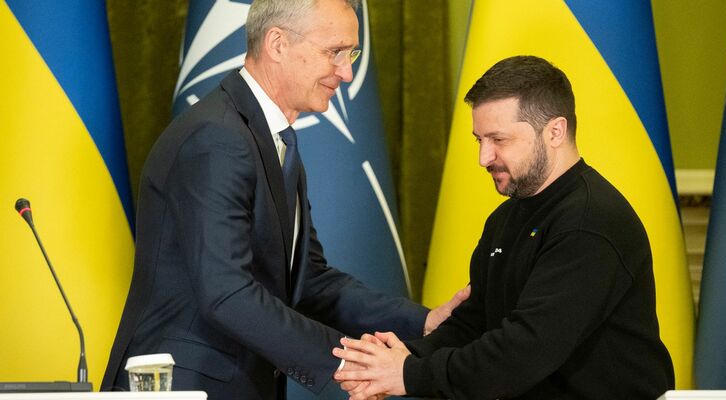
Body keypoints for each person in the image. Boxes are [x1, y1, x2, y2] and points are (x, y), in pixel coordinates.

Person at [101, 1, 467, 399]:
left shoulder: (273, 140)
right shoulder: (218, 138)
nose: (346, 72)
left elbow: (309, 282)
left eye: (351, 54)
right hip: (184, 384)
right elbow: (227, 292)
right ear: (277, 43)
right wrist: (346, 365)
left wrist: (425, 322)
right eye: (335, 52)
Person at [333, 55, 675, 399]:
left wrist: (409, 374)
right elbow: (475, 321)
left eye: (499, 140)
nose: (484, 157)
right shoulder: (505, 218)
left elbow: (525, 351)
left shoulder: (591, 222)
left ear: (555, 131)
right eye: (478, 139)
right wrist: (405, 358)